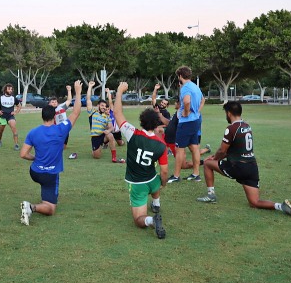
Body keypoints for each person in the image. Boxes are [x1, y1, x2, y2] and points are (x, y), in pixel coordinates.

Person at [196, 101, 291, 218]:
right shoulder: (247, 126)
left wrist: (214, 158)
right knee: (254, 202)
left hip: (238, 167)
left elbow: (222, 151)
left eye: (226, 113)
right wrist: (218, 157)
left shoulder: (231, 128)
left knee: (207, 164)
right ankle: (280, 206)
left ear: (229, 113)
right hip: (252, 167)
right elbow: (235, 150)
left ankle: (211, 195)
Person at [20, 80, 83, 226]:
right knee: (50, 208)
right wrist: (78, 92)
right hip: (50, 175)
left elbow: (23, 154)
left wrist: (35, 158)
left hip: (34, 172)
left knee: (45, 187)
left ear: (42, 116)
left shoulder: (33, 132)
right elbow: (76, 112)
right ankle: (31, 207)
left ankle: (46, 196)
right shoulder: (61, 129)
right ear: (54, 116)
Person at [113, 82, 168, 239]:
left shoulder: (132, 134)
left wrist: (119, 91)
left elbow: (117, 113)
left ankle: (152, 220)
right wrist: (163, 183)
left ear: (141, 121)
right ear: (156, 124)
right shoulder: (161, 145)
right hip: (152, 180)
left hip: (138, 184)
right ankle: (156, 203)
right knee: (158, 179)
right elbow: (164, 171)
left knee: (138, 220)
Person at [158, 97, 211, 177]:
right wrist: (159, 115)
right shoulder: (177, 113)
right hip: (172, 142)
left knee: (193, 152)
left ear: (180, 103)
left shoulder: (184, 114)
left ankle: (205, 162)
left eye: (176, 102)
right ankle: (204, 161)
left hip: (177, 141)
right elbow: (169, 124)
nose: (175, 103)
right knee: (192, 154)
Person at [169, 66, 205, 182]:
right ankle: (196, 174)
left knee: (179, 149)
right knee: (194, 147)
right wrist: (197, 111)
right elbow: (203, 100)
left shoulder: (185, 87)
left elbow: (186, 101)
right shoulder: (195, 86)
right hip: (196, 120)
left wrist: (186, 112)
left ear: (180, 76)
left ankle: (176, 176)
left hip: (187, 122)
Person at [86, 81, 124, 163]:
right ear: (98, 106)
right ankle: (95, 150)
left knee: (110, 135)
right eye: (102, 105)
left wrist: (108, 130)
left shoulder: (107, 117)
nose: (103, 107)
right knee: (97, 156)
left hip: (103, 135)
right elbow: (88, 100)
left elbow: (111, 127)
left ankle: (114, 157)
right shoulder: (92, 112)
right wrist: (90, 87)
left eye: (105, 106)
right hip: (95, 137)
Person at [0, 83, 21, 150]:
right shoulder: (0, 98)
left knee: (14, 128)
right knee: (1, 131)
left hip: (10, 117)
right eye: (9, 89)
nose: (11, 90)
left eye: (11, 89)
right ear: (5, 90)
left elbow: (19, 106)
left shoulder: (13, 98)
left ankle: (16, 144)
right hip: (2, 117)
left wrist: (16, 112)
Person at [48, 84, 73, 148]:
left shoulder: (61, 107)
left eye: (55, 102)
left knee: (63, 147)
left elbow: (69, 100)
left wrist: (69, 90)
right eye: (52, 102)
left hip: (64, 127)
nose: (54, 103)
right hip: (56, 129)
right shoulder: (48, 111)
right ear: (49, 103)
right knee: (58, 146)